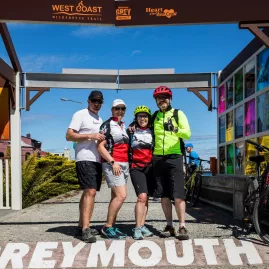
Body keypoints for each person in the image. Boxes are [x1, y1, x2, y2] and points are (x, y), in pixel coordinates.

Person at [151, 86, 191, 240]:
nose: (162, 100)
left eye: (165, 97)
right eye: (159, 97)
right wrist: (133, 125)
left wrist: (174, 129)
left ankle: (182, 226)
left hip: (175, 157)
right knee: (163, 195)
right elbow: (144, 127)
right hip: (158, 158)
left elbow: (187, 133)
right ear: (156, 101)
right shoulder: (154, 116)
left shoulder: (178, 113)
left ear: (170, 99)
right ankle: (169, 224)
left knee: (179, 194)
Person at [66, 90, 105, 243]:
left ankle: (82, 225)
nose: (97, 104)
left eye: (99, 101)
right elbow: (69, 135)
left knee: (88, 193)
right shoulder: (80, 114)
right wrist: (91, 136)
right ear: (88, 101)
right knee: (90, 191)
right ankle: (85, 230)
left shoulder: (99, 118)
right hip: (84, 158)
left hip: (97, 160)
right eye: (94, 101)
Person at [97, 99, 129, 239]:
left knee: (115, 197)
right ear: (112, 110)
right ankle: (107, 227)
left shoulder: (123, 125)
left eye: (122, 108)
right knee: (121, 195)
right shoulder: (107, 125)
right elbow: (100, 146)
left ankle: (112, 226)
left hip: (124, 163)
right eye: (117, 108)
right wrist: (112, 161)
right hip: (113, 164)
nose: (120, 111)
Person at [128, 106, 154, 240]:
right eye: (139, 116)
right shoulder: (131, 131)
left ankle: (142, 225)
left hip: (150, 167)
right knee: (142, 197)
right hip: (136, 167)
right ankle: (137, 228)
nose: (142, 118)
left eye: (145, 116)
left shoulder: (153, 131)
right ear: (136, 118)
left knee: (147, 198)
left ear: (149, 118)